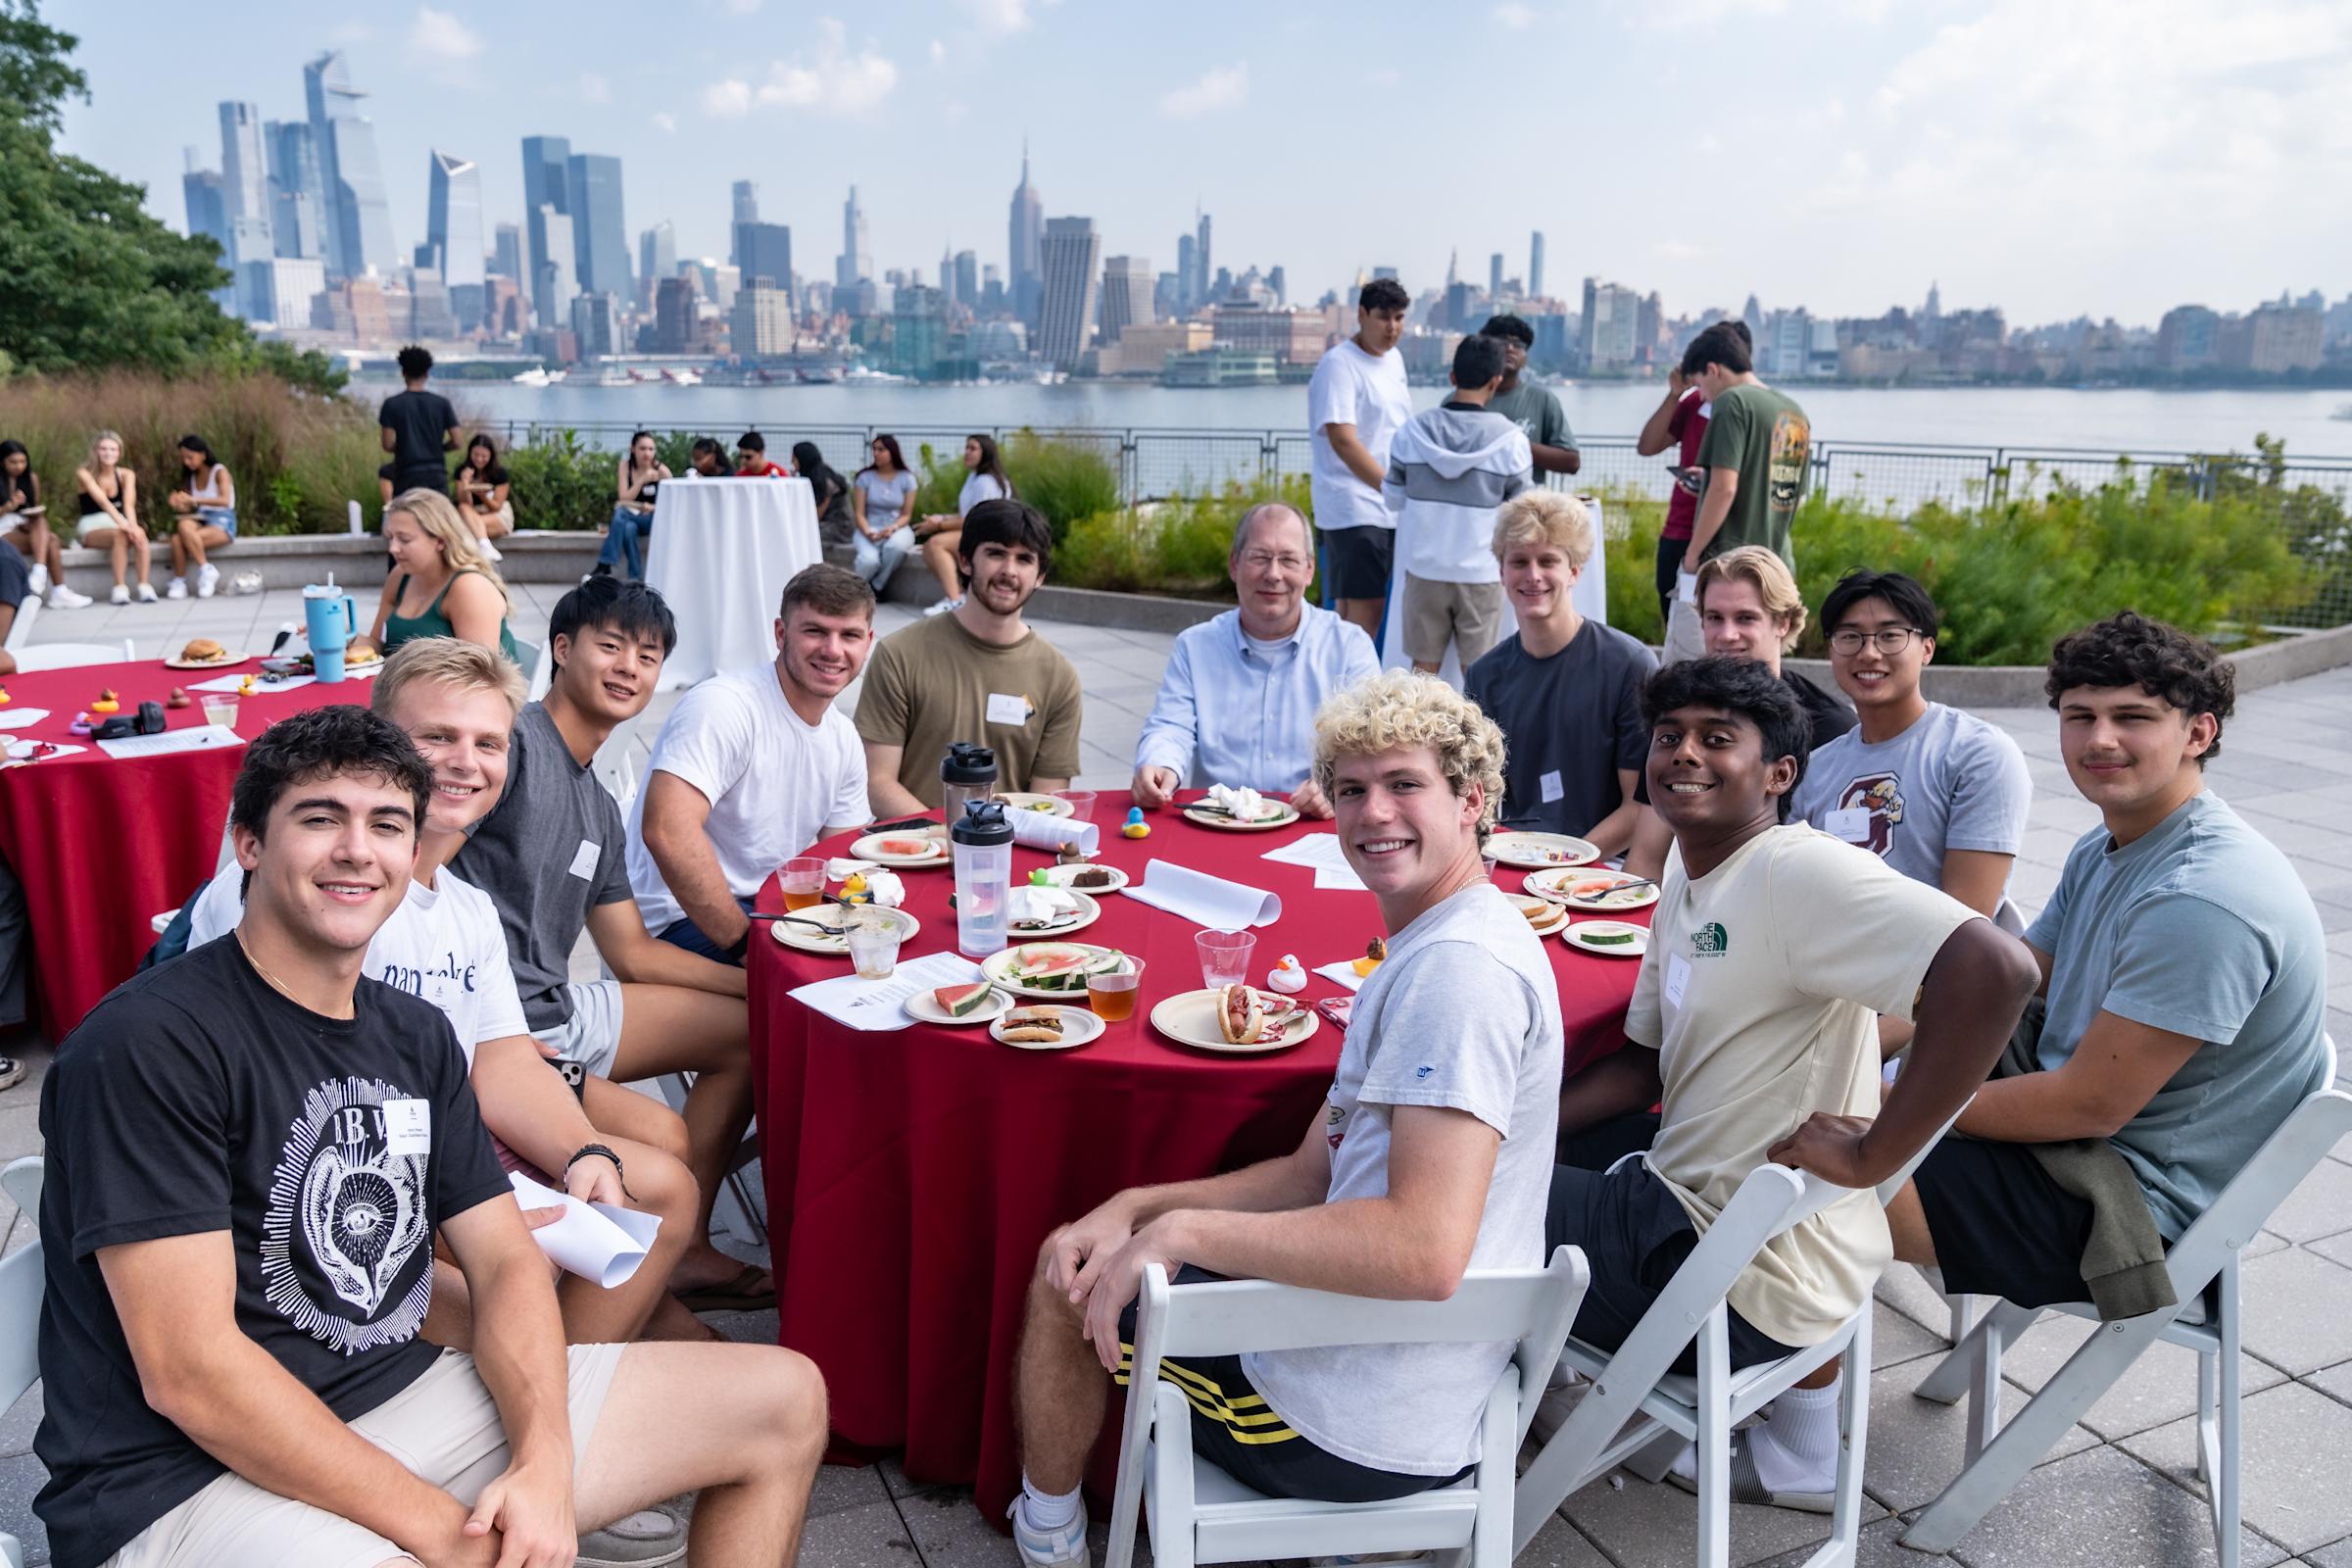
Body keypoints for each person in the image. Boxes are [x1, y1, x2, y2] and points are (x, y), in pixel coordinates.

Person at [33, 703, 830, 1568]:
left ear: (413, 854)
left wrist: (543, 1460)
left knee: (783, 1397)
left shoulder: (414, 1033)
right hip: (183, 1481)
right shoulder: (150, 1044)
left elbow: (504, 1264)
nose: (356, 850)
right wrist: (442, 1537)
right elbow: (192, 1375)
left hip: (398, 1397)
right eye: (319, 818)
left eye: (385, 824)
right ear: (249, 844)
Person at [1008, 670, 1561, 1568]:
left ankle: (1046, 1535)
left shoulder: (1458, 976)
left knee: (1062, 1275)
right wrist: (1144, 1204)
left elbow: (1423, 1251)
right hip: (1404, 1367)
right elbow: (1313, 1176)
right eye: (1352, 790)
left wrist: (1181, 1232)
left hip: (1354, 1423)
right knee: (1108, 1234)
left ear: (1473, 801)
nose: (1374, 813)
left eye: (1404, 784)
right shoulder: (1439, 942)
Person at [1546, 656, 2036, 1507]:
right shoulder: (1692, 880)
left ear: (1779, 774)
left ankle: (1435, 1435)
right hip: (1729, 1227)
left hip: (1724, 1277)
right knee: (1512, 1154)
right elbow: (1639, 1067)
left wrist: (1880, 1150)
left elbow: (1999, 968)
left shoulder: (1791, 871)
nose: (1683, 755)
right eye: (1669, 737)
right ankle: (1783, 1446)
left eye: (1716, 739)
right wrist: (1510, 1127)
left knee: (1446, 1203)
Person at [178, 638, 709, 1348]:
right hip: (337, 1168)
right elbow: (285, 1102)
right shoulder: (309, 889)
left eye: (489, 742)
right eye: (437, 737)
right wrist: (460, 1208)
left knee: (661, 1189)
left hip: (442, 1131)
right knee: (510, 1266)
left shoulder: (464, 907)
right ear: (383, 744)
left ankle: (567, 1391)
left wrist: (585, 1153)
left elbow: (506, 1063)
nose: (466, 761)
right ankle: (535, 1381)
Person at [1884, 613, 2329, 1327]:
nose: (2100, 740)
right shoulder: (2111, 844)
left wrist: (1888, 1112)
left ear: (2198, 733)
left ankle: (1795, 1433)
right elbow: (2014, 978)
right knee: (1795, 1123)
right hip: (2082, 1138)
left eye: (2133, 717)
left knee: (1805, 1196)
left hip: (2124, 1199)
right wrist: (1866, 1035)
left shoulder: (2203, 899)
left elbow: (2086, 1105)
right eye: (2079, 715)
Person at [451, 577, 769, 1308]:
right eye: (611, 645)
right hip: (501, 1032)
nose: (630, 665)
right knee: (662, 1141)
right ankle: (631, 1286)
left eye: (649, 654)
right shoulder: (513, 749)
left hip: (560, 1007)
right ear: (561, 651)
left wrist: (763, 981)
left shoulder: (600, 805)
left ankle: (685, 1252)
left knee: (748, 1034)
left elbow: (633, 953)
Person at [630, 564, 875, 961]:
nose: (833, 650)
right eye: (814, 631)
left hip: (769, 907)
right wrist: (747, 946)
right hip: (679, 917)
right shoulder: (725, 705)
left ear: (867, 642)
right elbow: (666, 831)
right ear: (780, 634)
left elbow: (842, 858)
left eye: (848, 635)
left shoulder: (842, 736)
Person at [1791, 570, 2032, 919]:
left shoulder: (1977, 754)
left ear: (1927, 649)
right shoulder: (1814, 768)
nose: (1869, 653)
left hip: (1932, 968)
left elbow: (1965, 919)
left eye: (1890, 636)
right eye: (1850, 637)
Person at [1131, 502, 1379, 817]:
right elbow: (1170, 725)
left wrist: (1337, 785)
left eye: (1288, 559)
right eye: (1260, 558)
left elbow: (1369, 743)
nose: (1273, 574)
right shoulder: (1194, 646)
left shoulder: (1349, 646)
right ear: (1234, 564)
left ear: (1309, 570)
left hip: (1309, 822)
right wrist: (1160, 763)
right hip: (1216, 819)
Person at [1623, 547, 1853, 884]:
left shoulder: (1833, 729)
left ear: (1783, 622)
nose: (1727, 635)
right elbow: (1645, 857)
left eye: (1745, 618)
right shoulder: (1680, 711)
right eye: (1715, 617)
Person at [857, 498, 1082, 814]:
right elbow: (877, 783)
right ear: (964, 561)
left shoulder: (1058, 677)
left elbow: (1047, 803)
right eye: (995, 554)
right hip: (912, 852)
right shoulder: (899, 655)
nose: (1009, 571)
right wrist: (949, 842)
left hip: (1011, 853)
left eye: (1024, 559)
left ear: (1040, 576)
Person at [1463, 491, 1654, 856]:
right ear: (1502, 573)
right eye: (1519, 561)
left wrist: (1564, 862)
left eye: (1548, 560)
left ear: (1574, 571)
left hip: (1603, 867)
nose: (1533, 576)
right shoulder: (1484, 675)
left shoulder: (1630, 665)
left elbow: (1641, 806)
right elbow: (1475, 796)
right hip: (1514, 856)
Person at [1383, 332, 1533, 673]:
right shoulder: (1511, 441)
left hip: (1423, 568)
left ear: (1452, 377)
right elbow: (1520, 514)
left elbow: (1392, 498)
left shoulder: (1410, 433)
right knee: (1478, 675)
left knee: (1422, 677)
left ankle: (1418, 730)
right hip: (1480, 573)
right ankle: (1476, 730)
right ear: (1495, 382)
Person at [1664, 322, 1811, 664]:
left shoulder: (1731, 402)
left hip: (1726, 567)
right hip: (1776, 566)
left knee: (1688, 669)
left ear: (1713, 370)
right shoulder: (1793, 411)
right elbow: (1790, 491)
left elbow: (1724, 487)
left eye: (1700, 385)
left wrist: (1692, 557)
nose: (1701, 396)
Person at [1306, 276, 1412, 637]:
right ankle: (1352, 689)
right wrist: (1389, 487)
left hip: (1388, 505)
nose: (1393, 327)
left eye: (1399, 318)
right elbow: (1342, 439)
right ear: (1362, 314)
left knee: (1355, 610)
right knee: (1363, 610)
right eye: (1384, 317)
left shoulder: (1394, 360)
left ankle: (1341, 686)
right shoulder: (1339, 365)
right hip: (1354, 505)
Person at [1637, 322, 1753, 627]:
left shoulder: (1749, 409)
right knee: (1676, 614)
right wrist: (1675, 394)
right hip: (1681, 526)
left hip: (1729, 534)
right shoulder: (1696, 403)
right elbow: (1648, 445)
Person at [361, 488, 522, 663]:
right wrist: (342, 640)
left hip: (465, 688)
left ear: (440, 540)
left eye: (404, 539)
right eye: (390, 538)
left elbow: (481, 676)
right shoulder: (400, 576)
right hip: (409, 688)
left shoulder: (470, 588)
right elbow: (376, 643)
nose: (393, 548)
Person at [912, 432, 1012, 616]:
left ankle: (955, 600)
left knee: (936, 544)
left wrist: (939, 526)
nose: (967, 452)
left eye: (973, 448)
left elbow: (977, 518)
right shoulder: (974, 477)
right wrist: (940, 517)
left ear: (986, 452)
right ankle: (960, 595)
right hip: (976, 530)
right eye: (966, 447)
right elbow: (967, 513)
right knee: (929, 547)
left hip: (988, 535)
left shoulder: (985, 482)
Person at [1479, 315, 1579, 475]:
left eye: (1518, 345)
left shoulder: (1543, 400)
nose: (1510, 348)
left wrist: (1511, 443)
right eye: (1502, 342)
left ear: (1525, 358)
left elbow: (1571, 462)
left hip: (1525, 499)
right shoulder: (1462, 399)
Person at [1, 439, 86, 609]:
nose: (18, 466)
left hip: (21, 526)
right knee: (50, 540)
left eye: (22, 461)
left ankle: (44, 575)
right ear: (2, 461)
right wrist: (10, 505)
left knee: (43, 526)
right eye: (13, 462)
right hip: (2, 529)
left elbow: (32, 508)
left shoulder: (31, 479)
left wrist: (29, 518)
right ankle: (57, 590)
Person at [74, 428, 156, 605]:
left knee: (139, 533)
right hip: (93, 525)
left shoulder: (127, 474)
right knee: (121, 534)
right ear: (96, 451)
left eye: (113, 449)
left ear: (119, 452)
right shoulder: (84, 473)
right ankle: (119, 588)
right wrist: (125, 527)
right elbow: (103, 502)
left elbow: (128, 505)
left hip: (118, 522)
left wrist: (132, 527)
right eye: (103, 449)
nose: (108, 453)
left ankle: (144, 585)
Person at [376, 343, 461, 496]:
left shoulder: (392, 404)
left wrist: (405, 448)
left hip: (406, 474)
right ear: (427, 374)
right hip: (436, 474)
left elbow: (387, 444)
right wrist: (438, 448)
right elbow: (457, 441)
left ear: (403, 373)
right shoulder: (442, 404)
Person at [163, 433, 236, 600]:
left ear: (203, 454)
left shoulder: (219, 471)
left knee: (177, 541)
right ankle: (202, 572)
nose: (186, 462)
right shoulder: (192, 477)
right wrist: (178, 502)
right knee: (183, 526)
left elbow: (225, 500)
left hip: (222, 521)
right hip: (201, 519)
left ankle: (182, 579)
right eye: (183, 458)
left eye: (190, 457)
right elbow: (190, 507)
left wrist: (193, 499)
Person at [852, 433, 921, 593]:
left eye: (881, 450)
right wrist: (868, 531)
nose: (876, 453)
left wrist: (892, 528)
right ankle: (852, 593)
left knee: (895, 547)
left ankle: (877, 586)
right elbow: (859, 514)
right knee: (868, 561)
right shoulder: (864, 478)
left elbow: (906, 515)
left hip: (897, 526)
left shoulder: (907, 478)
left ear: (892, 452)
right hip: (869, 527)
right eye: (874, 449)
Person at [597, 430, 667, 580]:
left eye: (651, 449)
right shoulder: (625, 466)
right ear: (633, 449)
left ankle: (606, 564)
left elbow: (672, 503)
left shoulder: (661, 471)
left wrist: (653, 507)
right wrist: (641, 480)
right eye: (642, 449)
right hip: (633, 517)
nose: (647, 453)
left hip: (653, 519)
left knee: (621, 512)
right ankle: (635, 579)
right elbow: (623, 498)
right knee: (628, 528)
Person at [452, 431, 514, 552]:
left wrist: (483, 496)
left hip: (495, 514)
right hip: (472, 514)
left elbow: (496, 507)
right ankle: (485, 546)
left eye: (484, 456)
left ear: (491, 456)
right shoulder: (462, 471)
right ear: (470, 453)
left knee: (465, 528)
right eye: (476, 455)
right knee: (463, 509)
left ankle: (482, 545)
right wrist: (466, 485)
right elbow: (466, 504)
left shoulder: (500, 474)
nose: (479, 459)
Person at [794, 440, 854, 551]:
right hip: (829, 524)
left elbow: (816, 516)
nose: (792, 462)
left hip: (839, 527)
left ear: (803, 459)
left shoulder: (825, 481)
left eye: (794, 458)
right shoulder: (818, 475)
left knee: (799, 536)